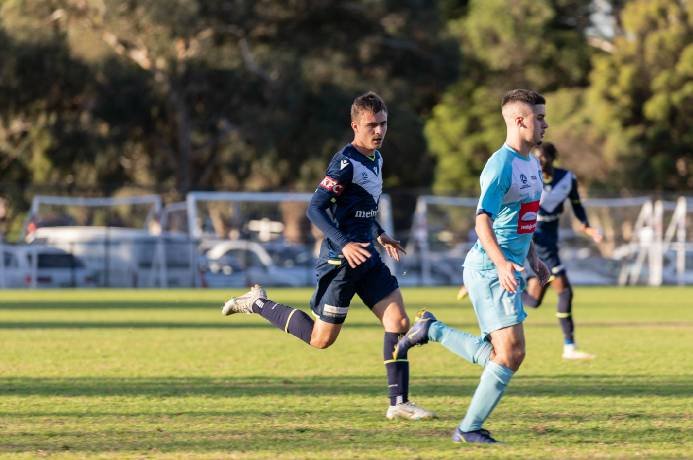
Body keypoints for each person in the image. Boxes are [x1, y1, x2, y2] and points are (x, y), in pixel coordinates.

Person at [221, 91, 435, 421]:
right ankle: (258, 302)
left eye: (383, 124)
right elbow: (315, 208)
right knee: (322, 340)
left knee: (398, 322)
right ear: (355, 125)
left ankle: (399, 403)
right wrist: (345, 243)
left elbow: (361, 207)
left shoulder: (376, 159)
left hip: (368, 258)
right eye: (371, 125)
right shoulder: (345, 163)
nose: (378, 131)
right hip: (340, 263)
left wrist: (379, 234)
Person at [395, 89, 551, 444]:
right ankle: (468, 429)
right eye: (539, 117)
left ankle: (431, 330)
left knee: (505, 354)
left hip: (508, 267)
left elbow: (523, 219)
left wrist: (534, 259)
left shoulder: (531, 163)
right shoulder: (501, 165)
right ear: (519, 121)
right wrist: (502, 265)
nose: (545, 124)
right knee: (510, 353)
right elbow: (482, 221)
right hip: (490, 269)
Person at [522, 142, 602, 360]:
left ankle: (500, 288)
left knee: (534, 300)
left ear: (552, 158)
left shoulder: (566, 179)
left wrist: (587, 226)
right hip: (536, 241)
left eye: (543, 158)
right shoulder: (528, 178)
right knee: (565, 290)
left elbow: (577, 205)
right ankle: (569, 347)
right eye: (535, 158)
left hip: (550, 240)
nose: (539, 162)